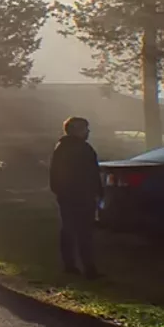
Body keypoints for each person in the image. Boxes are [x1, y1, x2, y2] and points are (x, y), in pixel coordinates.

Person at [48, 116, 102, 279]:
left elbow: (54, 174)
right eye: (85, 128)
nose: (88, 132)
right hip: (81, 196)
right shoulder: (82, 149)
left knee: (69, 230)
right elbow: (91, 173)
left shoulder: (62, 147)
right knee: (83, 232)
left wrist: (60, 191)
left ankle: (71, 265)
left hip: (68, 196)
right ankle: (88, 268)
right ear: (77, 130)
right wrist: (97, 191)